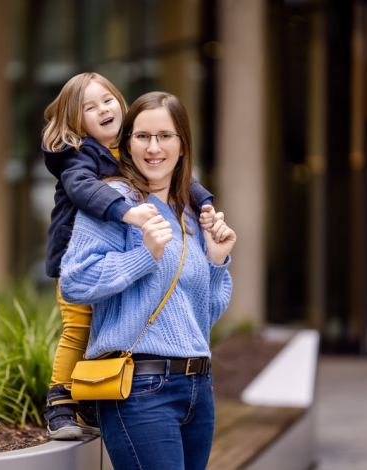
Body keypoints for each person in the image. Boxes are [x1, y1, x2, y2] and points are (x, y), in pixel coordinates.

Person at [59, 91, 236, 469]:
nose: (153, 148)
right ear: (127, 142)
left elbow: (200, 319)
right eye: (142, 136)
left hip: (198, 388)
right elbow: (74, 281)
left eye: (165, 136)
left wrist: (216, 262)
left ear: (183, 144)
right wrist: (145, 255)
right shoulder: (114, 203)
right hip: (140, 390)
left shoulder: (191, 214)